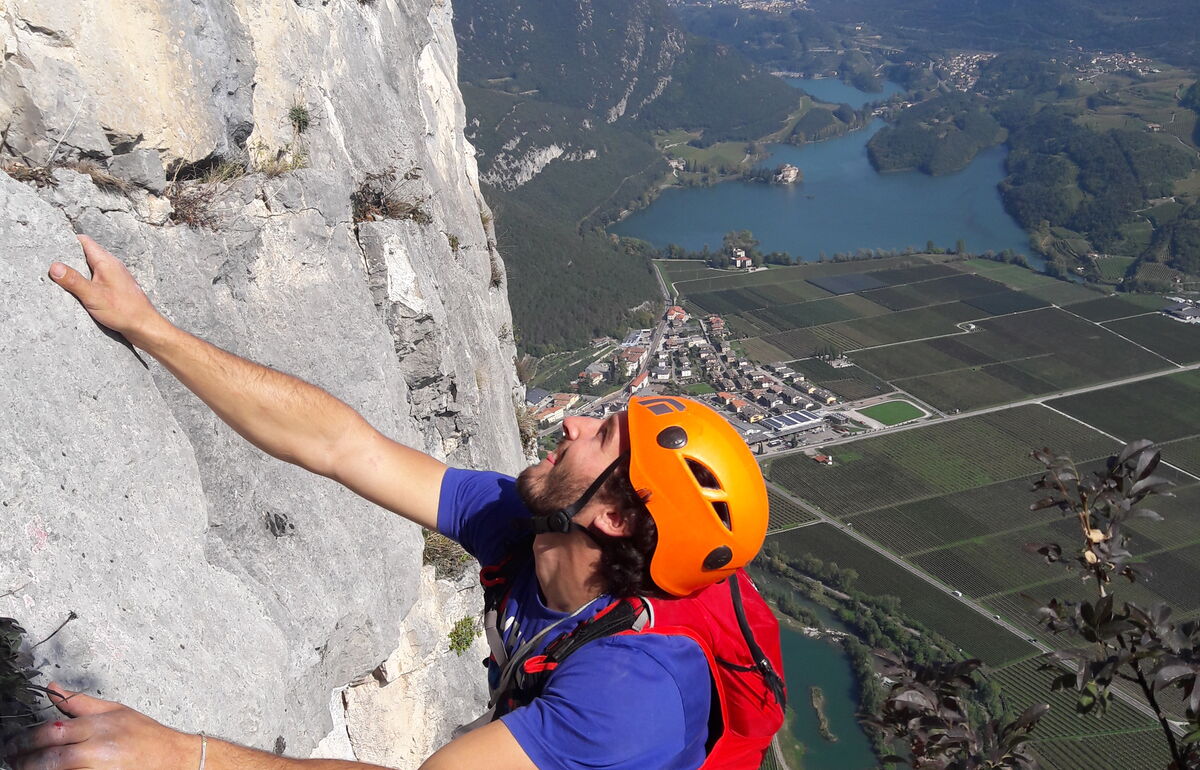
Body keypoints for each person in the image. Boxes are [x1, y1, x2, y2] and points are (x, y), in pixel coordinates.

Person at [2, 236, 779, 770]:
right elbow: (343, 447)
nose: (574, 421)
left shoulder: (631, 693)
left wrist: (185, 754)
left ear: (612, 518)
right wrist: (151, 328)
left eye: (602, 435)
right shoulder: (529, 526)